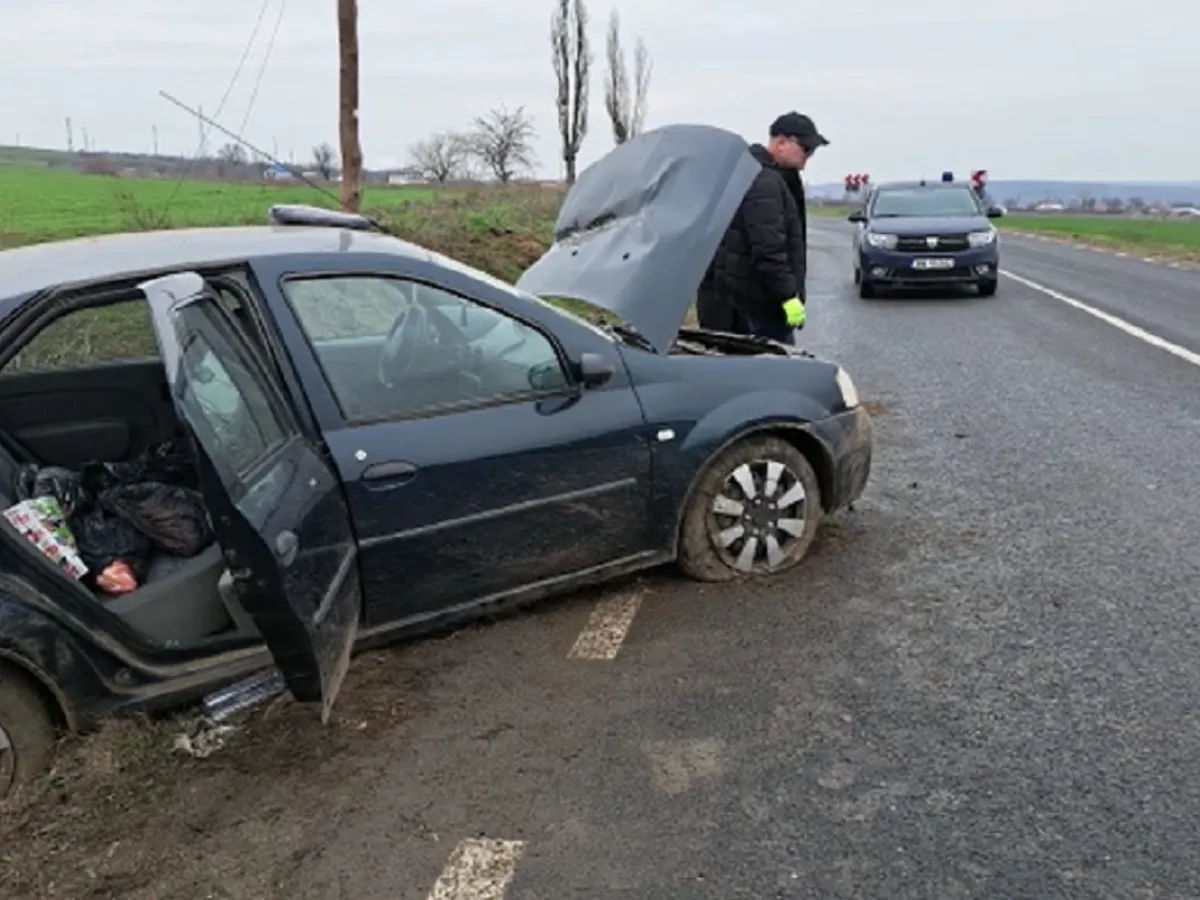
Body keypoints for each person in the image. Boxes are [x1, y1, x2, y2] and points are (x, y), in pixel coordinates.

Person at [702, 112, 828, 344]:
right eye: (806, 148)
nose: (809, 155)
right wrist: (788, 297)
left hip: (744, 302)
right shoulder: (763, 182)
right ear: (781, 143)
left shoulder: (759, 174)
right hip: (758, 306)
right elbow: (768, 249)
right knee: (779, 373)